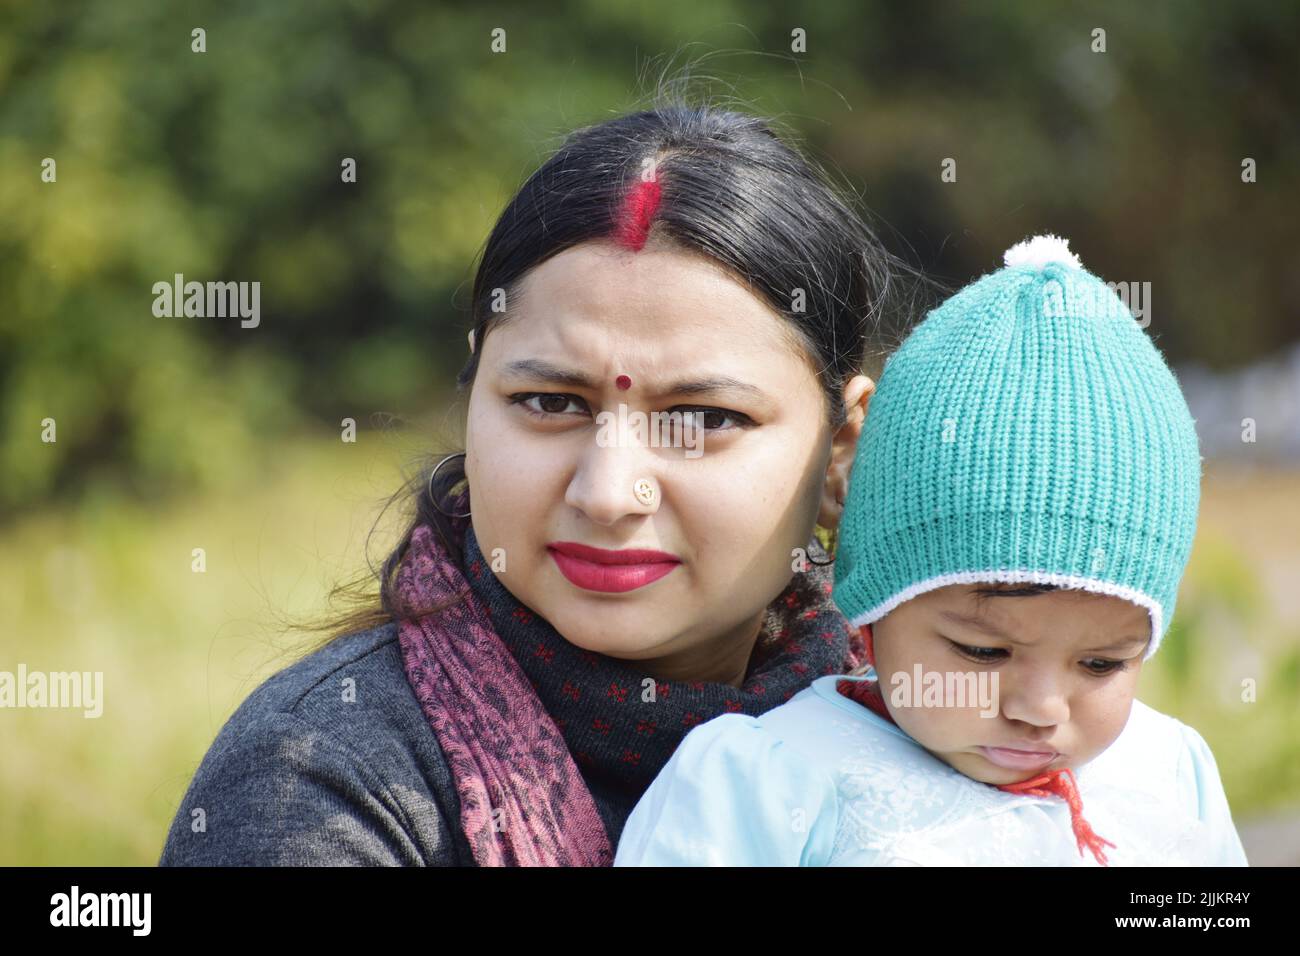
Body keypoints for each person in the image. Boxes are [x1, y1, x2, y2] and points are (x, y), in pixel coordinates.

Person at [158, 96, 925, 866]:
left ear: (841, 453)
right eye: (551, 403)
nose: (609, 493)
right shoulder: (325, 782)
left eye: (701, 419)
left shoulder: (955, 731)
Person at [614, 234, 1250, 866]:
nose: (1039, 709)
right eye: (983, 651)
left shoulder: (1168, 774)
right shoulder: (773, 782)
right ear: (871, 608)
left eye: (1102, 665)